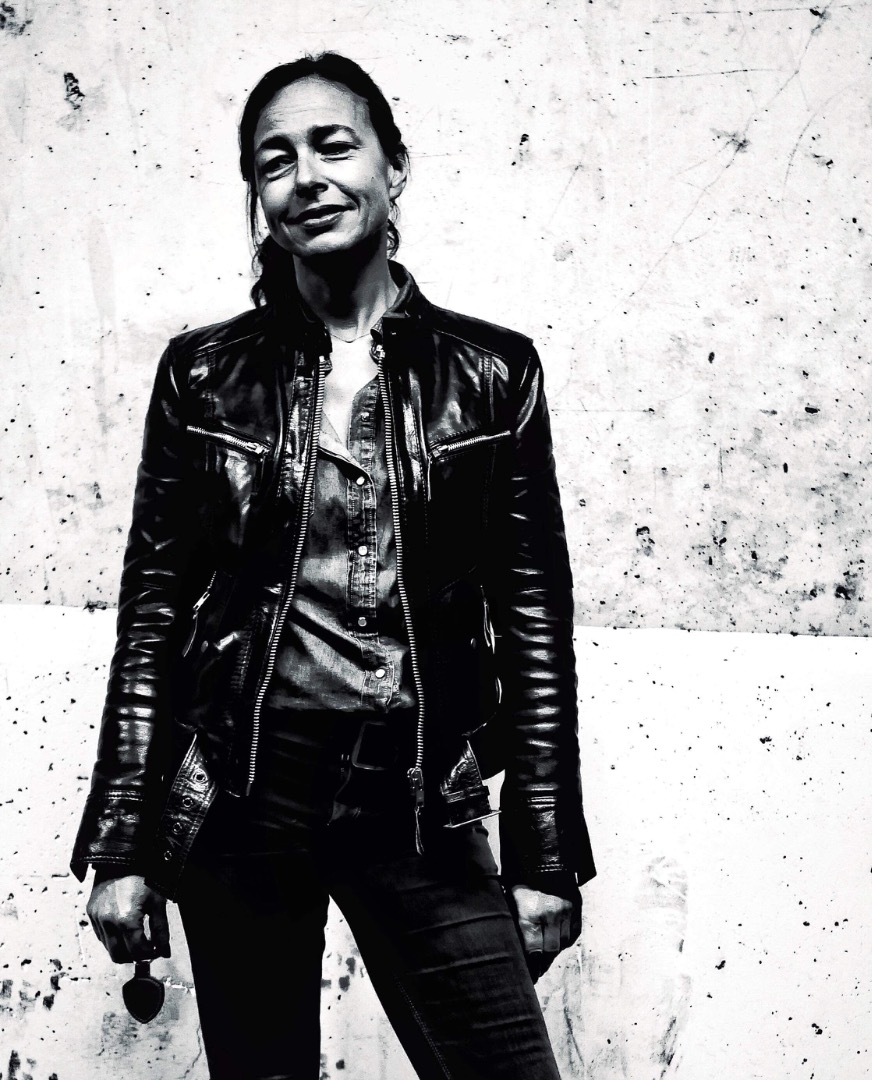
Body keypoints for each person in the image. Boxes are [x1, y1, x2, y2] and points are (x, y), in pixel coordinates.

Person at [70, 52, 594, 1079]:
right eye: (275, 161)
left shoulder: (493, 373)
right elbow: (153, 615)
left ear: (394, 166)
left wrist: (542, 849)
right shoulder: (203, 374)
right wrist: (123, 842)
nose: (305, 177)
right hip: (241, 799)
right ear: (257, 198)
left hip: (417, 798)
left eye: (333, 145)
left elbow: (533, 617)